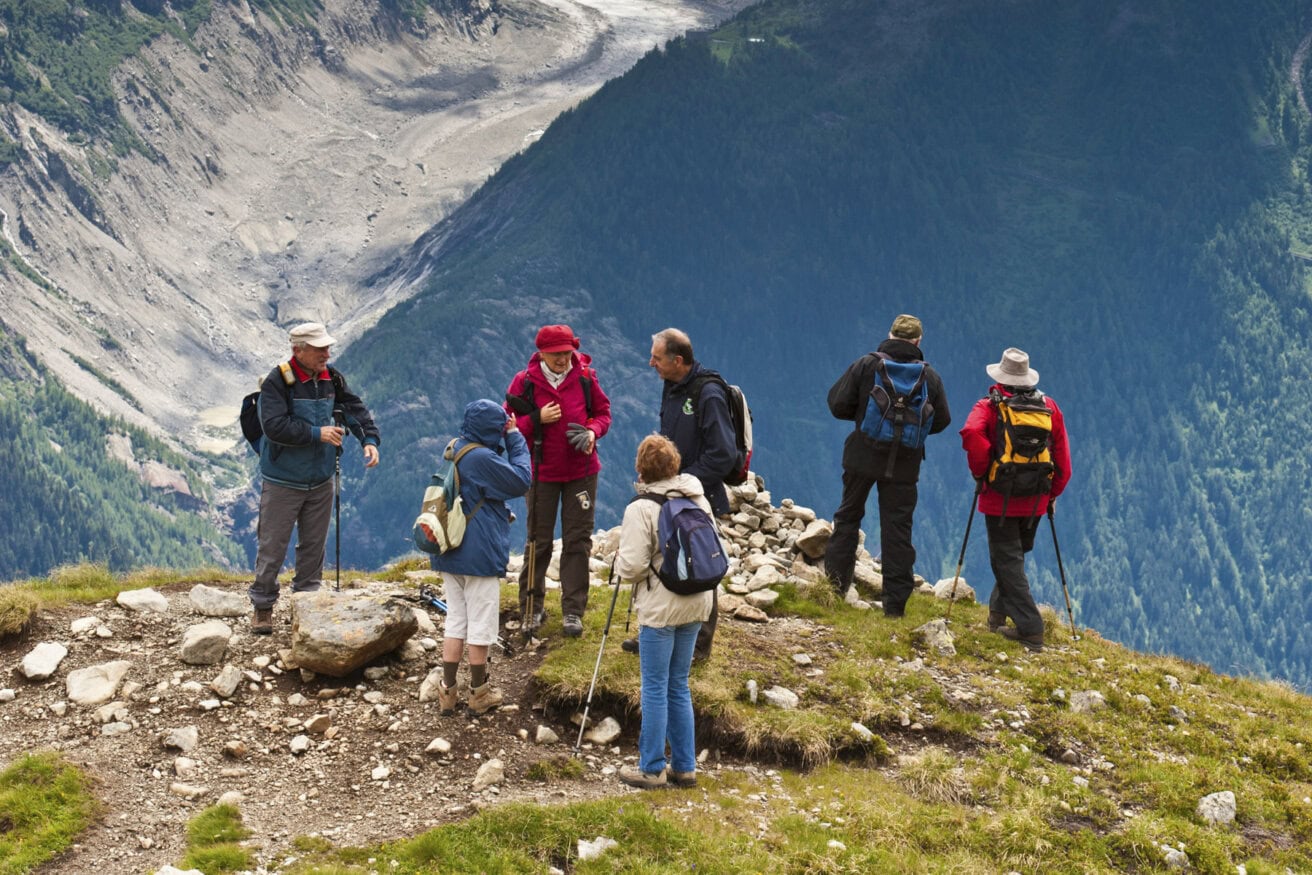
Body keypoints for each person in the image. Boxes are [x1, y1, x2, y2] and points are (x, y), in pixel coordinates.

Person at [249, 322, 380, 635]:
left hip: (320, 479)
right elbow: (274, 427)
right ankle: (263, 607)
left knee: (313, 546)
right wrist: (316, 433)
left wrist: (369, 440)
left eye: (327, 347)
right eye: (320, 348)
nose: (327, 353)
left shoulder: (331, 378)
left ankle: (306, 605)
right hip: (283, 479)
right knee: (273, 545)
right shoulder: (277, 381)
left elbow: (353, 409)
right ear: (299, 350)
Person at [823, 314, 951, 617]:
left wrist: (865, 421)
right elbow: (941, 420)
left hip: (862, 455)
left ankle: (835, 588)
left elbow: (837, 403)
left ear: (890, 335)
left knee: (848, 518)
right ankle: (895, 607)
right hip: (905, 464)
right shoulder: (929, 377)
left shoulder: (867, 365)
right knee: (897, 531)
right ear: (919, 341)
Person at [420, 399, 532, 715]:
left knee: (456, 620)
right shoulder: (482, 456)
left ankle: (447, 690)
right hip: (478, 552)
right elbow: (522, 479)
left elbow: (477, 492)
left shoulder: (456, 447)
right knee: (480, 625)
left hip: (450, 547)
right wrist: (514, 438)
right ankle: (479, 693)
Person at [615, 434, 714, 790]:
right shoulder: (696, 496)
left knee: (654, 686)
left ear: (641, 470)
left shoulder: (640, 508)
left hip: (660, 607)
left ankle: (652, 768)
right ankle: (685, 767)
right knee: (679, 684)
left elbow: (632, 567)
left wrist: (621, 562)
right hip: (697, 600)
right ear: (675, 465)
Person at [959, 347, 1071, 652]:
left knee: (1007, 561)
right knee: (1013, 558)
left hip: (1000, 497)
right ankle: (997, 616)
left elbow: (970, 433)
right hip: (1036, 498)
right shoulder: (1049, 408)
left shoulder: (990, 406)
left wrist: (982, 471)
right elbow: (1063, 459)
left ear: (1002, 377)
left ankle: (1031, 629)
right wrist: (1052, 493)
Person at [505, 325, 612, 638]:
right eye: (556, 355)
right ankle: (531, 608)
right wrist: (536, 419)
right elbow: (507, 424)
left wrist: (592, 431)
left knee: (578, 541)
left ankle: (573, 612)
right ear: (541, 354)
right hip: (541, 473)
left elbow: (604, 413)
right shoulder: (524, 382)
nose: (564, 359)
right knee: (538, 541)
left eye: (567, 352)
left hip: (582, 471)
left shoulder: (585, 378)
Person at [636, 327, 736, 660]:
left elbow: (723, 453)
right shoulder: (674, 386)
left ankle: (698, 646)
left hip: (695, 497)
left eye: (657, 358)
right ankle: (657, 632)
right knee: (665, 558)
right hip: (672, 492)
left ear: (678, 360)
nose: (651, 363)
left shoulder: (707, 393)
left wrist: (683, 482)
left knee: (700, 561)